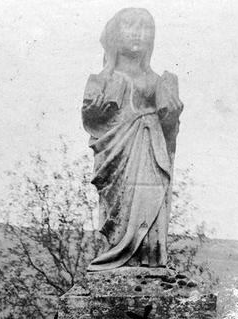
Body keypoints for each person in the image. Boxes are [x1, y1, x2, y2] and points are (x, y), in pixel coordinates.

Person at [82, 7, 183, 271]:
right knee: (120, 213)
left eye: (145, 26)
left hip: (150, 155)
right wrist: (96, 110)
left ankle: (148, 263)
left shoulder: (161, 81)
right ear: (115, 34)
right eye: (129, 25)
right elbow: (94, 125)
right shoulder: (101, 80)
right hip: (117, 159)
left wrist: (170, 117)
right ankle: (118, 256)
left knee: (149, 214)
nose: (138, 32)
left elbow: (169, 132)